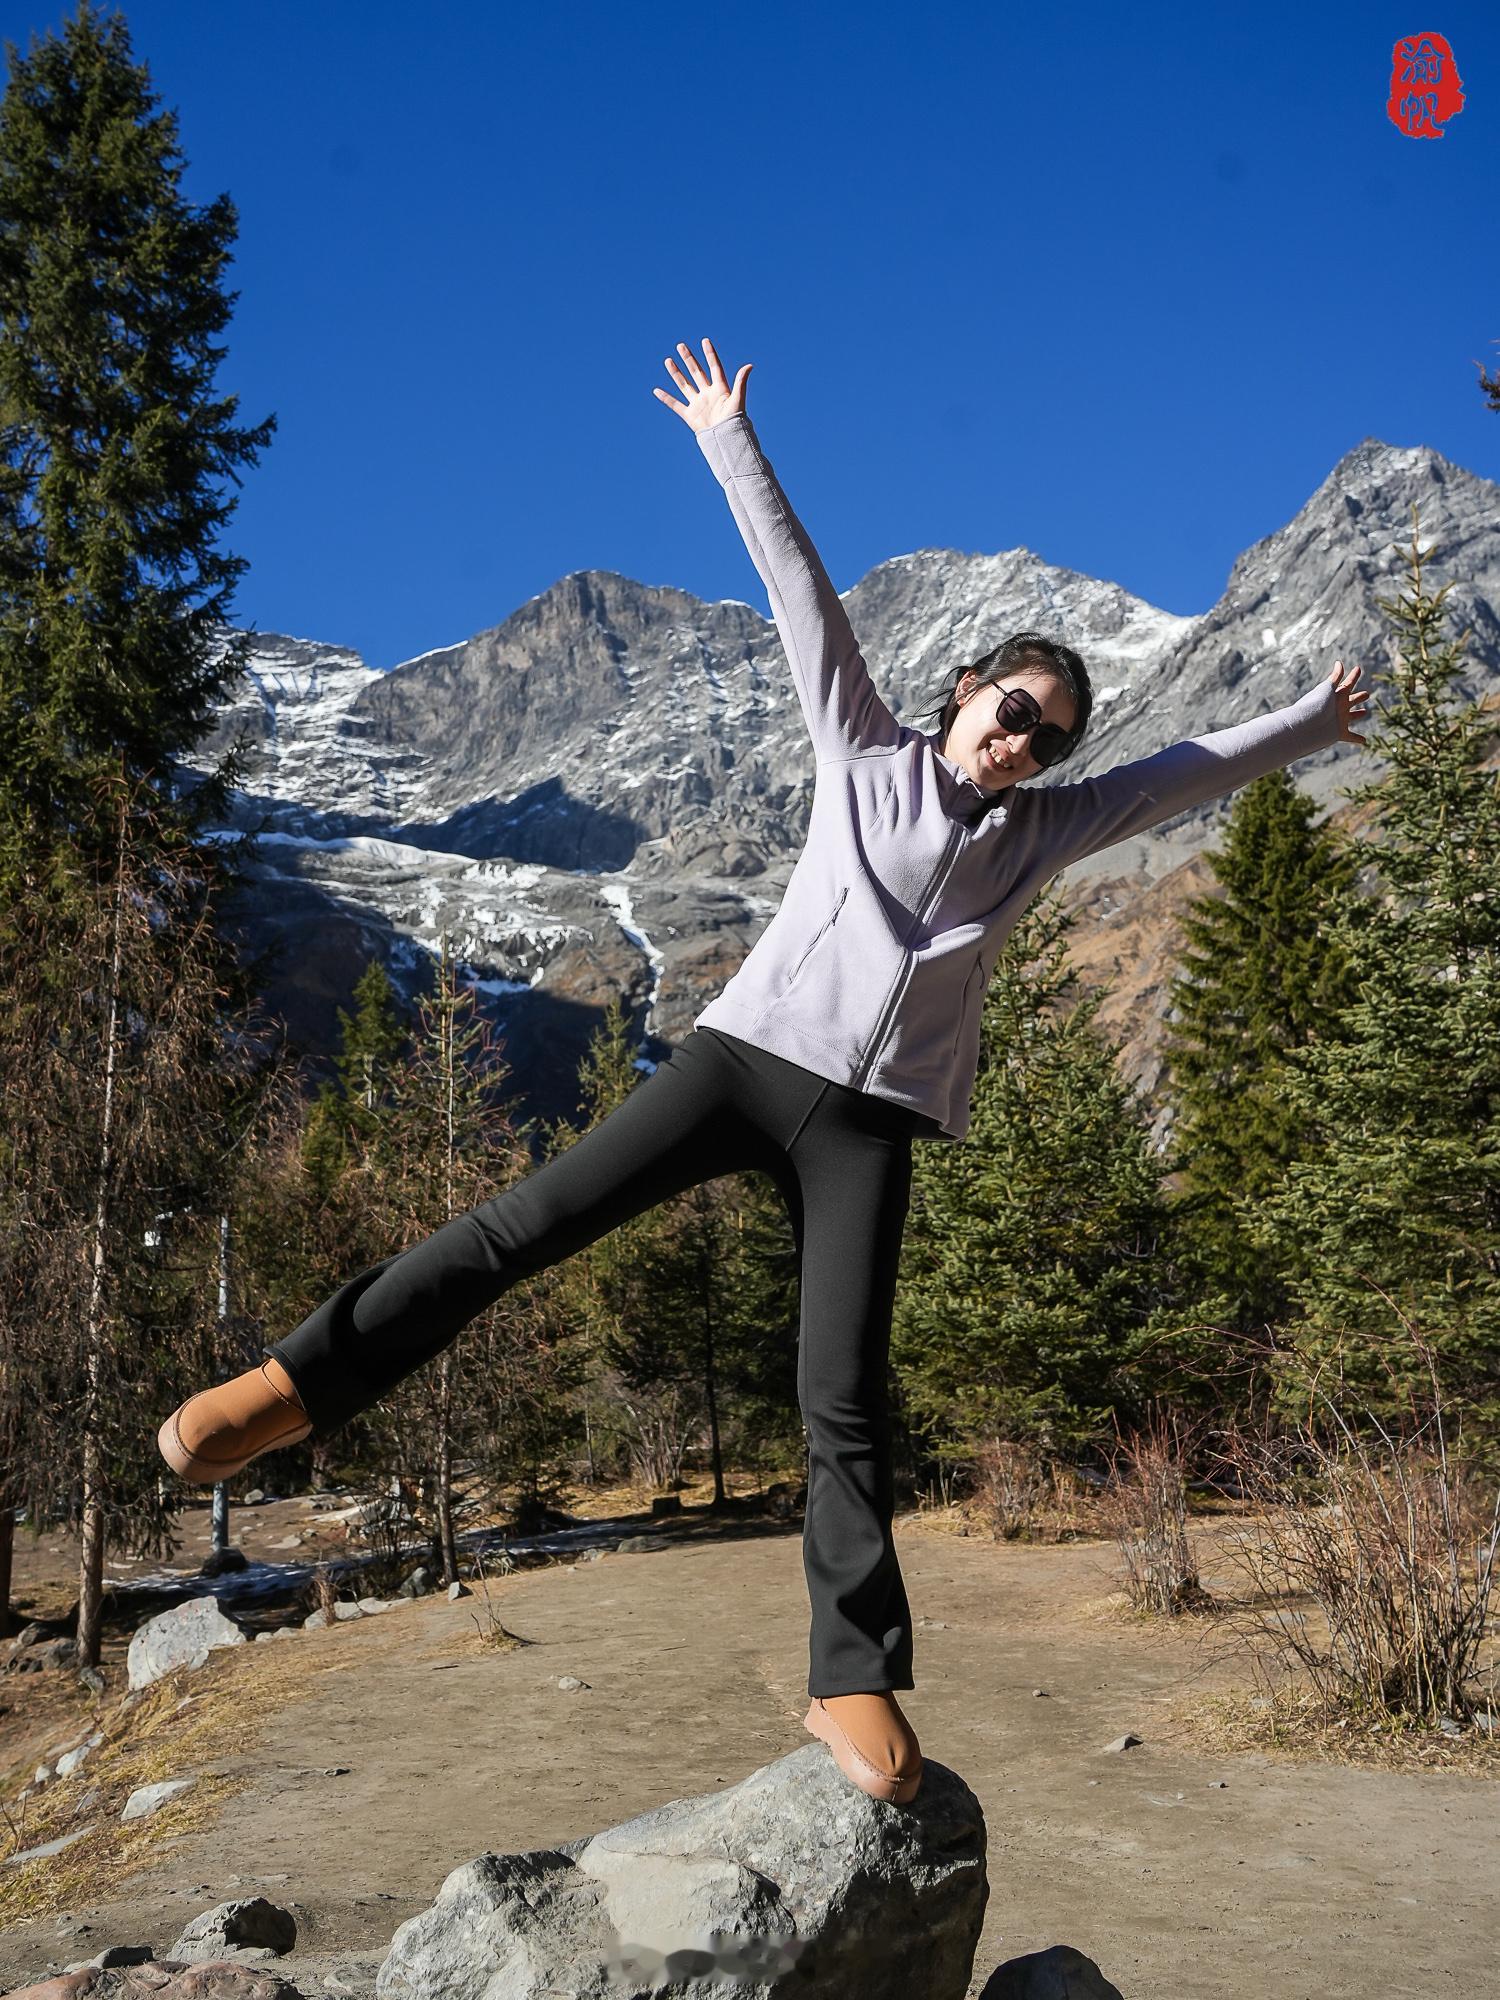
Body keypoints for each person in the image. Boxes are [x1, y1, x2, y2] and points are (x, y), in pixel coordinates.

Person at [159, 338, 1371, 1808]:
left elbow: (1185, 767)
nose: (1022, 744)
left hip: (872, 1124)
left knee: (842, 1397)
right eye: (1011, 713)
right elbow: (803, 599)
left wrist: (1310, 721)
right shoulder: (864, 747)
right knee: (514, 1235)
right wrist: (731, 439)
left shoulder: (1046, 834)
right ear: (966, 689)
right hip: (741, 1063)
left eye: (1049, 738)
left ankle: (848, 1682)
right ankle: (291, 1384)